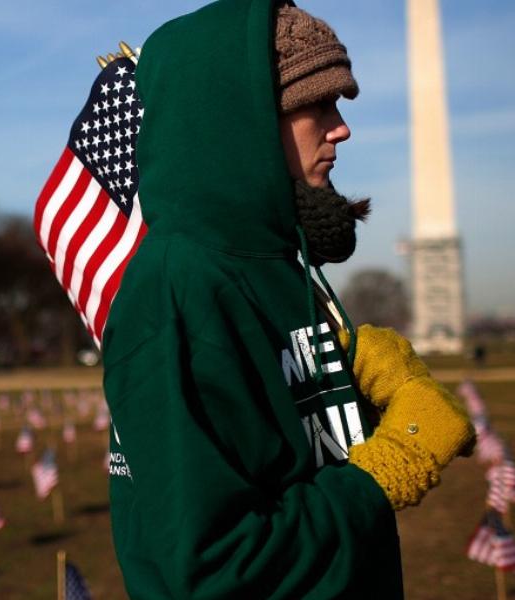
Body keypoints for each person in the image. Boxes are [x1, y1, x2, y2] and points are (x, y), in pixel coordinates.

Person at [101, 2, 475, 598]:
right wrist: (386, 473)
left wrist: (354, 390)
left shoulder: (281, 262)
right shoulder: (178, 291)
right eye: (317, 104)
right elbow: (213, 571)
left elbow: (291, 462)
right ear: (239, 121)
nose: (341, 127)